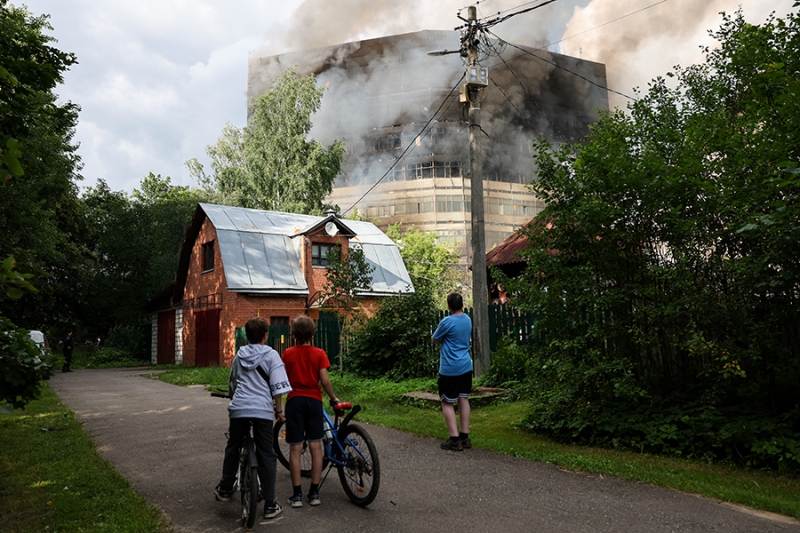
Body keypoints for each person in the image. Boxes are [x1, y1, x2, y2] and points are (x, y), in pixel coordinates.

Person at [214, 317, 292, 520]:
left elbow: (233, 383)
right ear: (266, 335)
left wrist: (233, 397)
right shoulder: (272, 355)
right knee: (266, 452)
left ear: (247, 336)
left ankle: (224, 488)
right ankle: (270, 504)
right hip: (263, 411)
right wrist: (279, 410)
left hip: (239, 409)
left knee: (233, 446)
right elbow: (278, 387)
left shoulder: (239, 355)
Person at [281, 315, 341, 508]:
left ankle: (297, 495)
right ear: (312, 334)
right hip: (314, 401)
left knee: (296, 448)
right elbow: (324, 380)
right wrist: (333, 397)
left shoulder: (287, 353)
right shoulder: (319, 353)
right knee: (316, 448)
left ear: (293, 334)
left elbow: (281, 379)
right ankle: (314, 493)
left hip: (294, 401)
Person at [431, 292, 473, 451]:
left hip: (450, 368)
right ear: (462, 304)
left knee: (447, 401)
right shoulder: (467, 319)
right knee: (463, 398)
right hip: (465, 366)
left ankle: (455, 440)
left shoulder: (446, 321)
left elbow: (435, 339)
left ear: (448, 306)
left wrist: (443, 340)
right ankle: (465, 436)